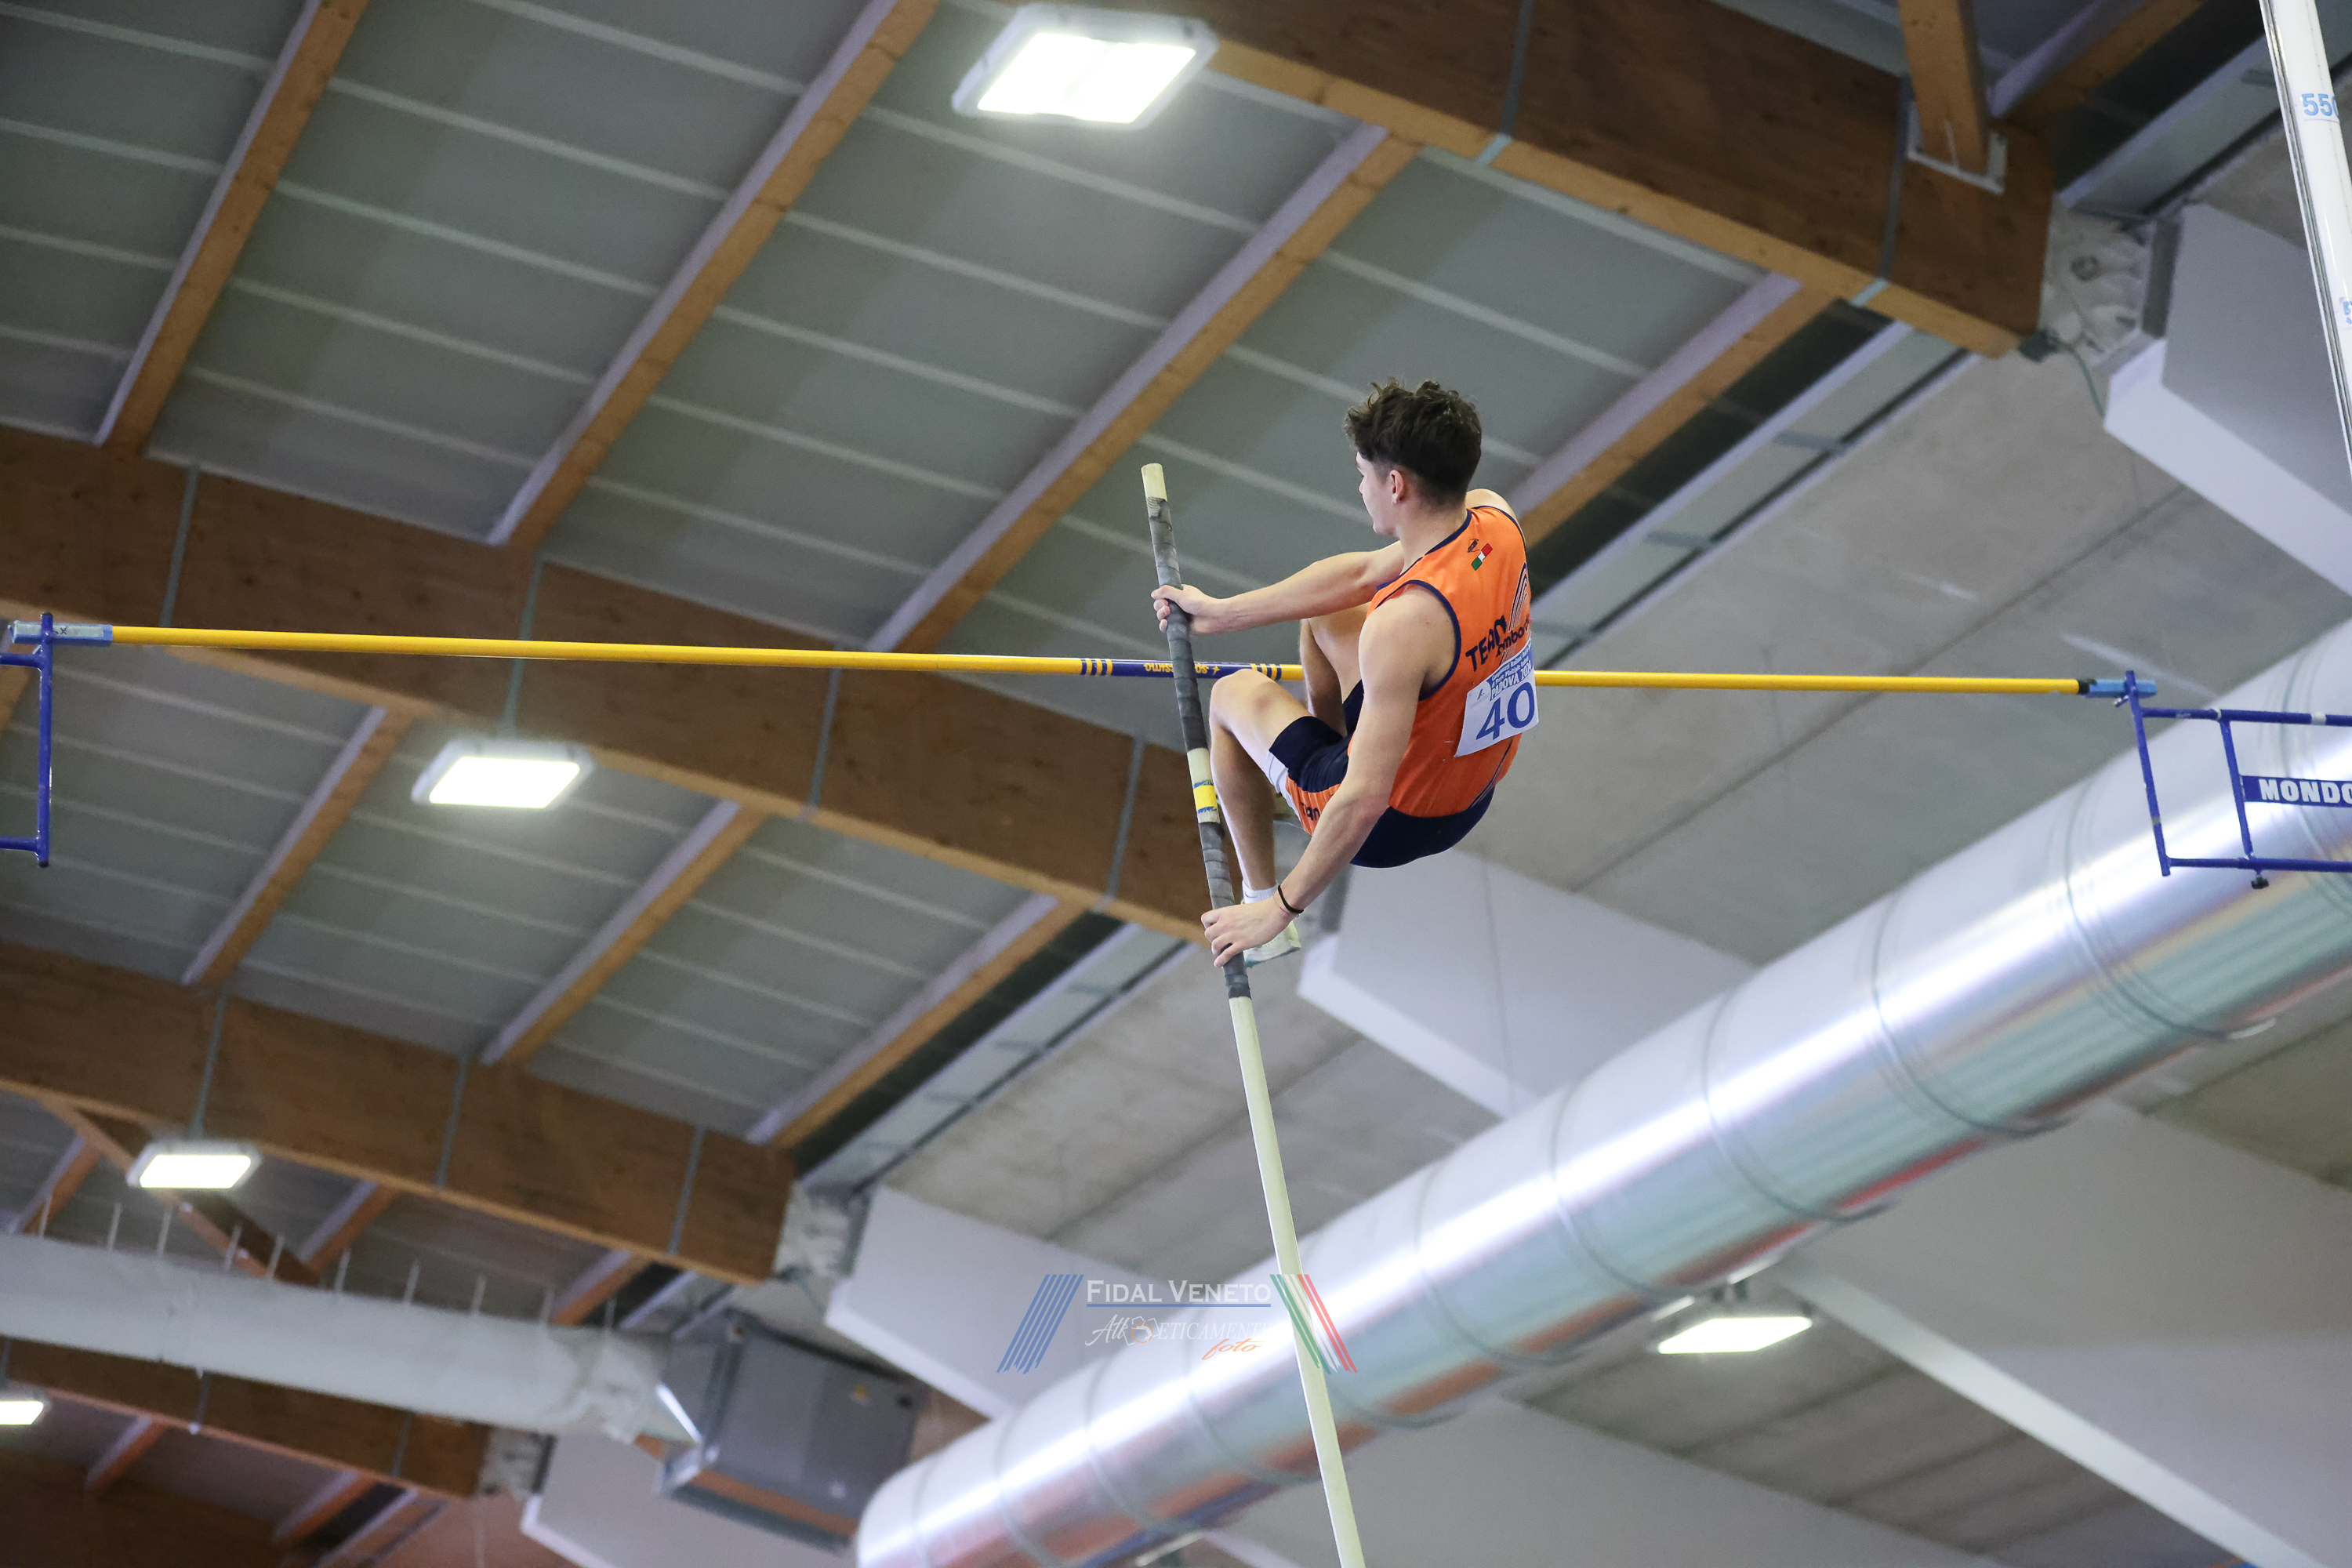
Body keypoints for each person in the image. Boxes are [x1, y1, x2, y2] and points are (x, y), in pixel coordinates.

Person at [1152, 379, 1536, 968]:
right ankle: (1314, 768)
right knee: (1327, 612)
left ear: (1396, 484)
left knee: (1231, 694)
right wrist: (1223, 614)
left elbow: (1364, 800)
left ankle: (1266, 884)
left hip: (1397, 823)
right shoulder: (1495, 518)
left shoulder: (1403, 625)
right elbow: (1359, 577)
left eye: (1362, 475)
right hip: (1472, 784)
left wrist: (1279, 907)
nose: (1360, 488)